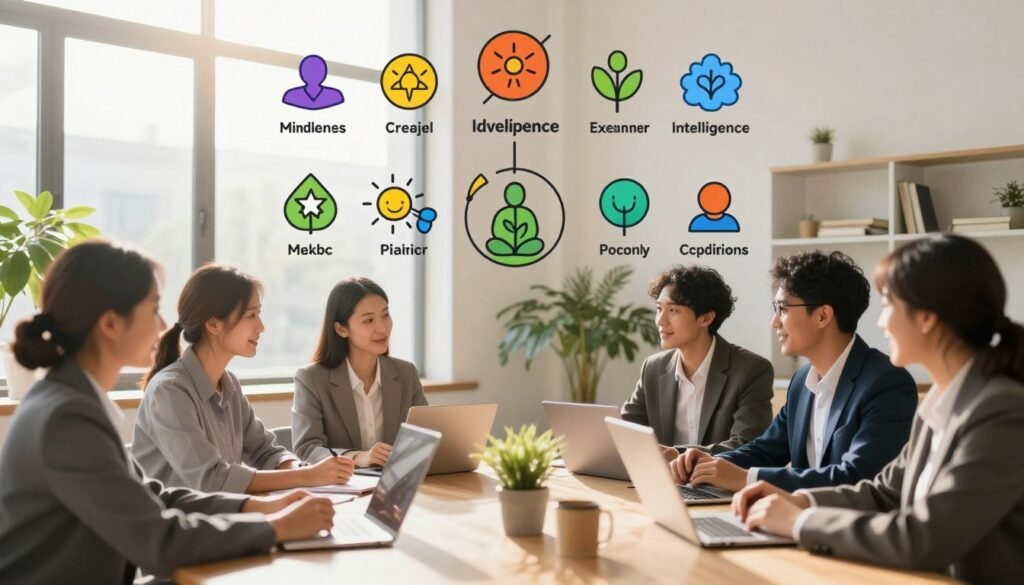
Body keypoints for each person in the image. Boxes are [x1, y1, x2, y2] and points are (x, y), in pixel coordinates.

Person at [0, 240, 334, 584]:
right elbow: (158, 540)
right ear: (111, 324)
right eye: (153, 308)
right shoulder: (66, 418)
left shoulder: (73, 401)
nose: (163, 325)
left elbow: (153, 496)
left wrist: (259, 507)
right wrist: (275, 527)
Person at [733, 235, 1024, 584]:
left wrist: (799, 523)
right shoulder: (939, 403)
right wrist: (800, 502)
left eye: (888, 305)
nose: (882, 322)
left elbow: (922, 537)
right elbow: (883, 492)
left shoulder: (1002, 411)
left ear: (927, 317)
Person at [671, 250, 918, 491]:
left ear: (823, 316)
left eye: (783, 309)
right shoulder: (802, 380)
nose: (775, 321)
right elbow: (767, 449)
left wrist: (748, 479)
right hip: (795, 522)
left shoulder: (887, 383)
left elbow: (857, 478)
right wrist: (704, 462)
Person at [132, 264, 354, 493]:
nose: (261, 326)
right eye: (251, 315)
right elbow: (211, 479)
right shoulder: (169, 390)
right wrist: (306, 476)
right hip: (177, 523)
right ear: (213, 324)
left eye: (259, 314)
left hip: (220, 516)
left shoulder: (228, 384)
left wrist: (298, 468)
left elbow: (265, 451)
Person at [621, 265, 774, 459]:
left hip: (719, 487)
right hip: (661, 483)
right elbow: (626, 429)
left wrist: (677, 455)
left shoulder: (750, 370)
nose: (660, 320)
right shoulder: (653, 368)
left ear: (706, 318)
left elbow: (746, 445)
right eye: (659, 308)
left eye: (673, 310)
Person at [292, 277, 427, 466]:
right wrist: (358, 457)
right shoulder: (312, 379)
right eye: (369, 320)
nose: (382, 328)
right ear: (341, 329)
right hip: (341, 487)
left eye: (385, 315)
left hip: (396, 482)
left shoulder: (406, 373)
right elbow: (307, 448)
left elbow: (426, 437)